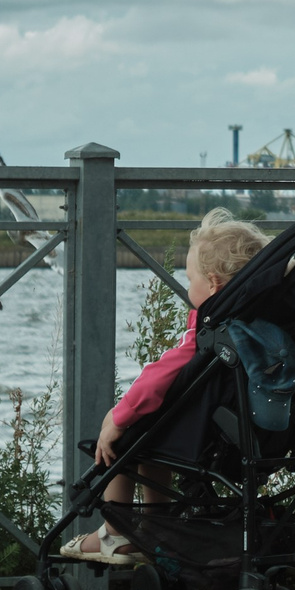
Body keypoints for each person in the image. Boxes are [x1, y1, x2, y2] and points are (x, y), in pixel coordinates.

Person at [60, 208, 271, 564]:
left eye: (190, 279)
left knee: (126, 439)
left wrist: (119, 416)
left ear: (213, 284)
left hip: (202, 436)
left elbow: (160, 375)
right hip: (252, 432)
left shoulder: (211, 331)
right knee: (154, 436)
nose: (187, 287)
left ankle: (114, 534)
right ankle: (157, 529)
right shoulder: (262, 325)